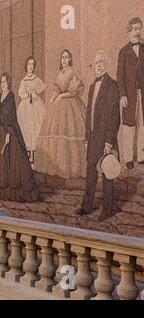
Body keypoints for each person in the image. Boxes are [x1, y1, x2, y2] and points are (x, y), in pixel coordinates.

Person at [77, 51, 121, 220]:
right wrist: (87, 138)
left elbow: (114, 116)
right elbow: (89, 115)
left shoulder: (112, 85)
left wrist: (109, 142)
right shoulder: (91, 87)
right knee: (91, 172)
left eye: (101, 62)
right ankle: (86, 206)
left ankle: (108, 209)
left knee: (107, 172)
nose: (99, 65)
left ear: (106, 65)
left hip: (106, 139)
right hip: (93, 138)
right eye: (96, 63)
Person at [0, 73, 39, 202]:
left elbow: (12, 117)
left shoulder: (11, 96)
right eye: (1, 82)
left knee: (10, 161)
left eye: (4, 82)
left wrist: (9, 133)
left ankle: (11, 193)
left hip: (9, 131)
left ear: (8, 83)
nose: (2, 84)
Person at [35, 49, 87, 179]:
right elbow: (56, 89)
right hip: (58, 106)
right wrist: (52, 100)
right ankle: (57, 168)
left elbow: (75, 91)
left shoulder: (72, 73)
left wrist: (61, 96)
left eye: (66, 57)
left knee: (71, 131)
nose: (64, 60)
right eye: (62, 57)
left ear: (70, 59)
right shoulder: (60, 74)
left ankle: (71, 170)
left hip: (71, 105)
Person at [117, 17, 144, 169]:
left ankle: (141, 155)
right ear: (128, 32)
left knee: (142, 124)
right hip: (129, 95)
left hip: (143, 93)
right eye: (134, 29)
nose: (138, 32)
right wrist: (122, 95)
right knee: (128, 126)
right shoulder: (123, 52)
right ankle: (128, 158)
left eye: (139, 28)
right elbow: (119, 76)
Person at [17, 56, 47, 163]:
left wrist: (35, 94)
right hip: (25, 107)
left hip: (36, 105)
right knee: (26, 131)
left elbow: (42, 87)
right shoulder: (24, 80)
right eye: (29, 64)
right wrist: (29, 94)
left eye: (32, 64)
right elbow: (21, 94)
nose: (30, 66)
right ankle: (27, 159)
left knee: (36, 130)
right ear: (26, 65)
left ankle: (37, 160)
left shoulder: (36, 78)